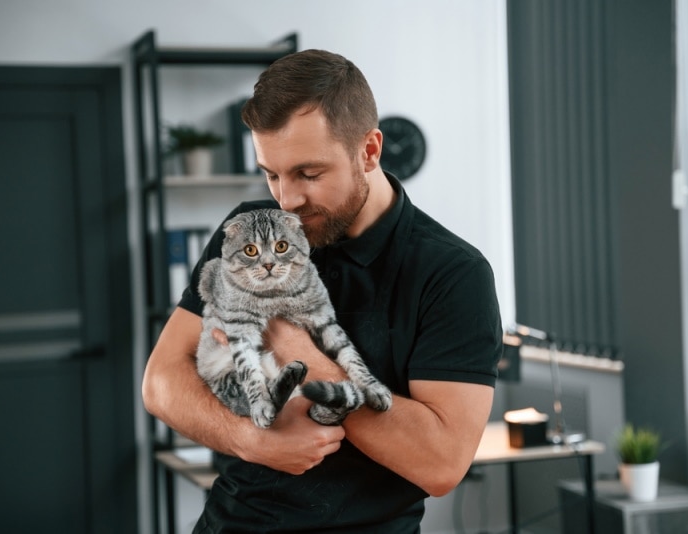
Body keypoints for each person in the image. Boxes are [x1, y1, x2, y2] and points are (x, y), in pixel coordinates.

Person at [142, 48, 503, 533]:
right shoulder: (253, 228)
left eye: (309, 174)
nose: (287, 199)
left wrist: (297, 350)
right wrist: (251, 440)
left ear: (369, 151)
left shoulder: (452, 274)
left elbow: (441, 464)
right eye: (271, 174)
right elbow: (161, 381)